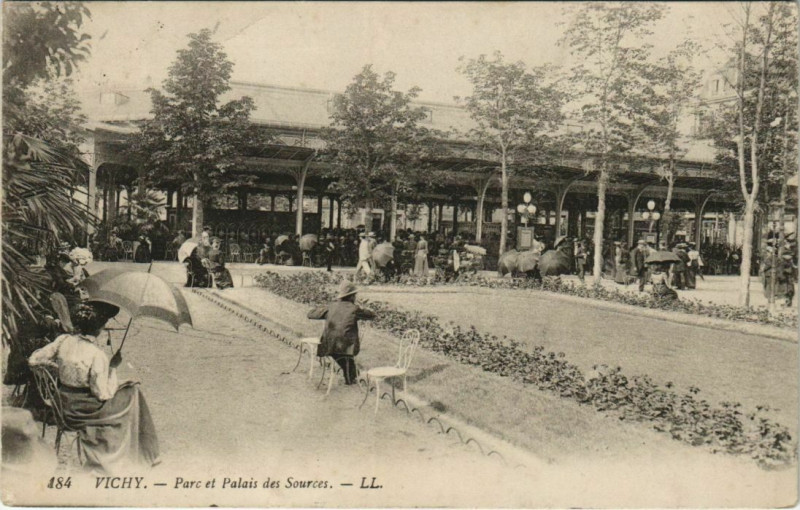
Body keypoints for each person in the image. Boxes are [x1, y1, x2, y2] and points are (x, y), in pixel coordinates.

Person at [28, 302, 160, 474]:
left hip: (61, 403)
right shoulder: (97, 354)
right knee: (133, 393)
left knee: (128, 389)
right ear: (98, 329)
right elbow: (102, 393)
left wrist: (55, 367)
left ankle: (137, 451)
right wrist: (113, 367)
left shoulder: (63, 340)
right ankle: (138, 452)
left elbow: (33, 360)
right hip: (81, 411)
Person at [307, 281, 375, 385]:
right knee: (346, 357)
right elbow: (371, 315)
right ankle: (351, 378)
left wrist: (322, 309)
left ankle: (351, 376)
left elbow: (310, 314)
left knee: (343, 357)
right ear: (351, 296)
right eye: (355, 295)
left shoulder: (331, 306)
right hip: (346, 347)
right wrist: (362, 308)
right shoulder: (354, 309)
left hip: (327, 345)